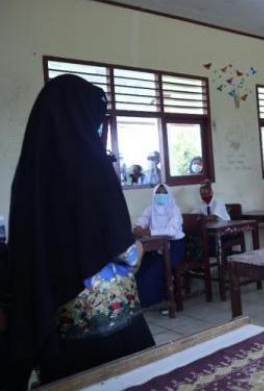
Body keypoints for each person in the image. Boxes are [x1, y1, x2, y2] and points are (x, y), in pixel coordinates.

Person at [2, 75, 154, 389]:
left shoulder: (31, 173)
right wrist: (138, 247)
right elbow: (125, 254)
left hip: (56, 326)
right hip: (109, 326)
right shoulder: (92, 165)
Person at [133, 184, 186, 308]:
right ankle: (148, 301)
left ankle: (164, 301)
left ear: (169, 194)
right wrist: (138, 227)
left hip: (174, 247)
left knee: (154, 272)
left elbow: (172, 231)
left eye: (164, 192)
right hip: (157, 247)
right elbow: (142, 220)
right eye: (158, 192)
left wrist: (149, 232)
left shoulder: (174, 209)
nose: (161, 195)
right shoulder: (150, 209)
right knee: (141, 271)